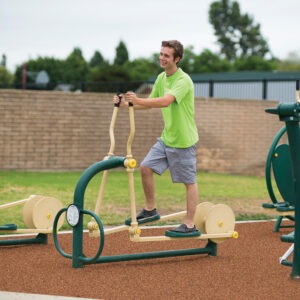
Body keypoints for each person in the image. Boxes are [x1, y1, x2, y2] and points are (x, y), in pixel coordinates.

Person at [113, 40, 200, 237]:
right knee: (145, 167)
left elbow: (165, 101)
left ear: (176, 59)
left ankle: (189, 223)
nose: (162, 58)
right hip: (167, 138)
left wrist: (138, 99)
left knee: (189, 182)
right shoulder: (161, 78)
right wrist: (126, 105)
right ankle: (150, 209)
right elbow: (150, 104)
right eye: (161, 54)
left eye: (166, 55)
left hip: (184, 141)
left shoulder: (183, 80)